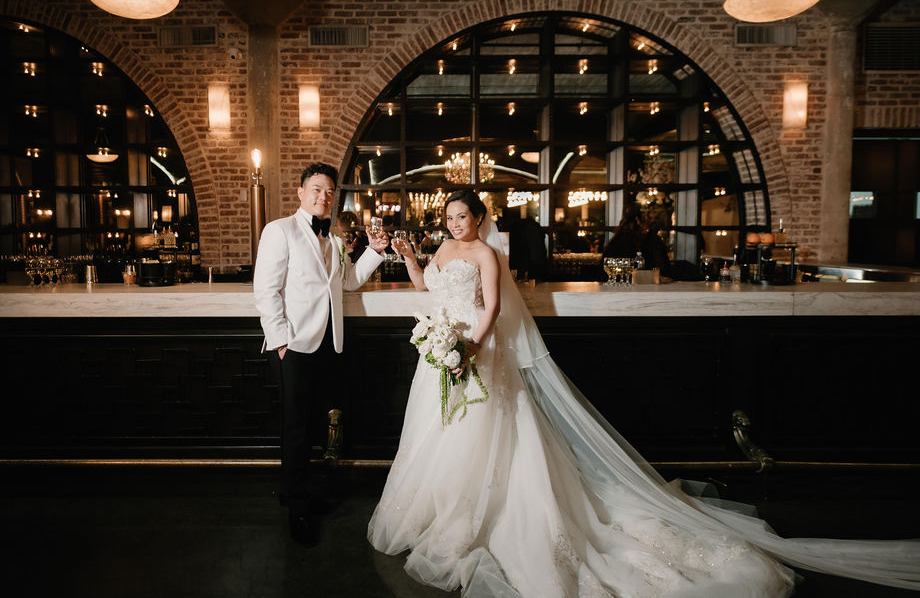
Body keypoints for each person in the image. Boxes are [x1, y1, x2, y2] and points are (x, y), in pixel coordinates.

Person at [369, 188, 919, 596]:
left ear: (480, 218)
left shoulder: (488, 256)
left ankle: (485, 515)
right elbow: (426, 288)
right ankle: (442, 512)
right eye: (449, 216)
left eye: (462, 215)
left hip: (477, 355)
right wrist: (415, 261)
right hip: (441, 358)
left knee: (486, 440)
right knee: (439, 436)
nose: (455, 223)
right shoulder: (441, 249)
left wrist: (471, 350)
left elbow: (489, 308)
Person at [254, 162, 388, 547]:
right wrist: (281, 342)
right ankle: (297, 505)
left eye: (329, 191)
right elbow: (266, 291)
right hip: (295, 344)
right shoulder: (279, 230)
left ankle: (298, 490)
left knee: (316, 424)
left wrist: (374, 252)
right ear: (300, 192)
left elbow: (346, 282)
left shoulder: (331, 238)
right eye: (316, 189)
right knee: (296, 427)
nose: (323, 197)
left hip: (331, 344)